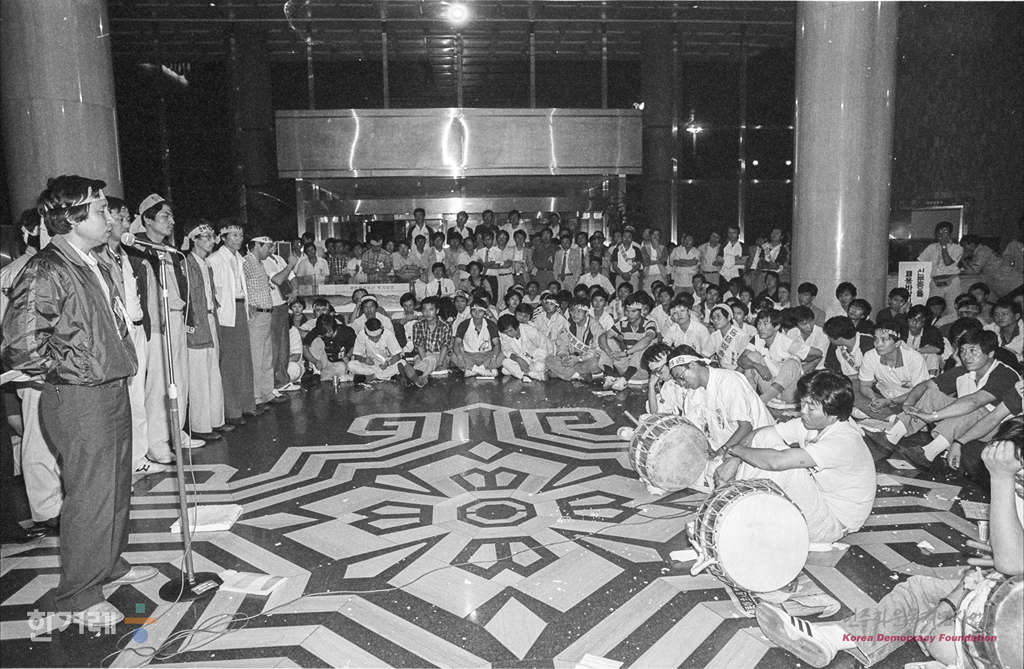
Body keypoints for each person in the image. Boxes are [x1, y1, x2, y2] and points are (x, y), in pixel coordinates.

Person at [1, 175, 154, 628]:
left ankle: (108, 564)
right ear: (70, 217)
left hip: (109, 388)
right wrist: (76, 368)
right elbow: (21, 345)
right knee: (90, 493)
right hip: (79, 397)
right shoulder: (46, 269)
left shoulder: (91, 261)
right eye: (101, 210)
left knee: (115, 485)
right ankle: (79, 594)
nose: (110, 217)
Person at [756, 416, 1023, 668]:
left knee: (940, 641)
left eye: (1017, 475)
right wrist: (949, 605)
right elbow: (994, 569)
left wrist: (1002, 479)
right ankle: (833, 638)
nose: (1016, 484)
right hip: (1000, 591)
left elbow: (1010, 564)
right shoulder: (1013, 489)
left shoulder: (1006, 481)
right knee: (919, 592)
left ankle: (959, 657)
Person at [714, 370, 876, 543]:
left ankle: (735, 512)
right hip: (818, 500)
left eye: (811, 407)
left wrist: (735, 450)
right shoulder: (812, 423)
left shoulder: (844, 441)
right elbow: (760, 434)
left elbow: (777, 462)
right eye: (803, 402)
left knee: (785, 467)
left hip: (833, 524)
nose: (803, 411)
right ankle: (735, 506)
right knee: (766, 440)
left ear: (833, 414)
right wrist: (735, 460)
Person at [885, 329, 1023, 466]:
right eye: (963, 351)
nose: (966, 356)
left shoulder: (1005, 374)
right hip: (967, 424)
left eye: (973, 351)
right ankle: (891, 437)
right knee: (932, 394)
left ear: (990, 354)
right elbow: (926, 385)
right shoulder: (964, 371)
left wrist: (933, 416)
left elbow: (975, 402)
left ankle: (928, 453)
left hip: (999, 430)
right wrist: (908, 403)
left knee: (970, 408)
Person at [207, 222, 259, 425]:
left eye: (241, 235)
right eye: (234, 235)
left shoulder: (239, 258)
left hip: (240, 309)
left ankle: (247, 405)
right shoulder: (215, 259)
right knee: (229, 363)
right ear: (223, 237)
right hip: (225, 313)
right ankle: (232, 410)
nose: (238, 239)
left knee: (244, 359)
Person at [182, 223, 226, 441]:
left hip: (210, 319)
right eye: (205, 237)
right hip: (196, 323)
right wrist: (190, 325)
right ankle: (200, 426)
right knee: (199, 376)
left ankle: (215, 421)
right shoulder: (185, 263)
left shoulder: (206, 264)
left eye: (211, 236)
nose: (210, 241)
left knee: (213, 372)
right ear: (194, 240)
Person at [243, 236, 288, 407]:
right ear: (256, 245)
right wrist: (247, 305)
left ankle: (267, 393)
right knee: (256, 357)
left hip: (267, 313)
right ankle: (256, 398)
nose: (270, 251)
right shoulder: (246, 262)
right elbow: (239, 285)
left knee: (267, 357)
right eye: (267, 247)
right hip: (257, 315)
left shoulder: (260, 263)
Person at [856, 320, 931, 418]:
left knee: (920, 409)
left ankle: (891, 418)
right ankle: (890, 418)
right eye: (875, 339)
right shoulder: (870, 355)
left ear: (898, 343)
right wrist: (874, 399)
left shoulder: (914, 358)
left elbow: (920, 390)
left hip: (909, 400)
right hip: (882, 396)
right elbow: (865, 385)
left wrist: (890, 402)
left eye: (884, 340)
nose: (878, 344)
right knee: (854, 387)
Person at [739, 308, 804, 407]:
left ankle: (759, 402)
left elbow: (816, 354)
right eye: (759, 324)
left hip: (789, 392)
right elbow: (741, 360)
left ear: (777, 326)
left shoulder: (786, 341)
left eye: (765, 324)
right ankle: (751, 398)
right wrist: (758, 366)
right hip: (769, 386)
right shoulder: (757, 338)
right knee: (752, 357)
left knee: (792, 362)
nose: (761, 328)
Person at [599, 294, 658, 390]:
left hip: (642, 369)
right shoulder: (622, 324)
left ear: (641, 311)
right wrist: (609, 352)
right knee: (608, 341)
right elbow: (602, 336)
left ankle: (624, 380)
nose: (630, 314)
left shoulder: (649, 323)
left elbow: (648, 339)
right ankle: (610, 377)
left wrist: (625, 353)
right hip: (626, 366)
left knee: (644, 345)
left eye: (634, 311)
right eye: (627, 311)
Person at [546, 296, 605, 382]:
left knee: (594, 363)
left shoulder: (596, 327)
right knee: (549, 359)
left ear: (587, 313)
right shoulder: (569, 324)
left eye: (579, 311)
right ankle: (578, 376)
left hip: (585, 361)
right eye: (572, 310)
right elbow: (562, 344)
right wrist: (564, 357)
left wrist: (578, 359)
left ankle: (568, 374)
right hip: (572, 361)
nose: (575, 314)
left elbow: (596, 352)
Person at [403, 296, 452, 387]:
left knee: (431, 360)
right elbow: (419, 345)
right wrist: (425, 359)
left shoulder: (445, 326)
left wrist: (440, 362)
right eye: (424, 310)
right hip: (423, 355)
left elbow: (444, 346)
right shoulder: (418, 325)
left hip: (440, 355)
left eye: (431, 309)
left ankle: (419, 377)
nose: (427, 313)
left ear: (437, 311)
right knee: (425, 361)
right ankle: (420, 376)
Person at [918, 221, 963, 315]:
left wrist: (944, 246)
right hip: (936, 282)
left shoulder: (957, 248)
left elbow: (948, 263)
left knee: (953, 310)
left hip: (952, 282)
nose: (942, 234)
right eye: (939, 232)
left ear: (950, 234)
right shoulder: (931, 247)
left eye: (945, 231)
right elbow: (920, 261)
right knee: (933, 310)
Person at [960, 233, 1023, 299]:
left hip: (1010, 283)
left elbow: (973, 271)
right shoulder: (980, 252)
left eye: (964, 246)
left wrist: (962, 259)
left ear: (972, 244)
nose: (964, 248)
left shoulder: (982, 252)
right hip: (1005, 283)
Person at [452, 299, 503, 377]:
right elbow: (456, 344)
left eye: (480, 311)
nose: (477, 313)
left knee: (503, 354)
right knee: (453, 355)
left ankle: (474, 370)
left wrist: (494, 357)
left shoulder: (490, 324)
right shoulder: (464, 324)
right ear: (470, 312)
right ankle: (483, 371)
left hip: (486, 355)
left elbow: (497, 344)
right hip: (469, 355)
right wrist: (459, 356)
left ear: (485, 312)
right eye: (474, 310)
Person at [303, 313, 356, 383]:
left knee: (341, 367)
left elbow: (355, 346)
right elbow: (305, 348)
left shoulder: (346, 331)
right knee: (316, 341)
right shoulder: (317, 330)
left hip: (337, 363)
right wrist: (315, 361)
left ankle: (322, 377)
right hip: (321, 362)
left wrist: (348, 356)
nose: (327, 334)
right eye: (324, 333)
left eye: (330, 331)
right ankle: (316, 373)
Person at [497, 313, 550, 382]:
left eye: (510, 331)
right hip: (522, 358)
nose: (509, 334)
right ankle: (531, 375)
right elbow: (506, 350)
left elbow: (544, 348)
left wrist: (535, 360)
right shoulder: (504, 334)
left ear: (517, 326)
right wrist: (518, 359)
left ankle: (525, 374)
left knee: (539, 366)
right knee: (505, 362)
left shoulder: (530, 330)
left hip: (537, 358)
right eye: (506, 332)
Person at [662, 292, 715, 357]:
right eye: (675, 313)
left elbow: (707, 353)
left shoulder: (701, 329)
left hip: (699, 360)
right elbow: (664, 348)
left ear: (689, 312)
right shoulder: (672, 329)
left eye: (682, 311)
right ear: (672, 318)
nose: (679, 315)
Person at [905, 303, 949, 374]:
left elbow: (938, 349)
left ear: (924, 322)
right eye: (911, 319)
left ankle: (931, 378)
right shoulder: (902, 329)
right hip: (904, 362)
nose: (914, 323)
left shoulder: (932, 331)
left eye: (918, 321)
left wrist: (917, 351)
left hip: (923, 363)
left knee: (932, 355)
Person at [708, 303, 753, 370]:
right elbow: (708, 354)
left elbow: (746, 360)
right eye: (713, 318)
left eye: (718, 317)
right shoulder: (714, 336)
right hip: (722, 370)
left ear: (729, 317)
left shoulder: (741, 336)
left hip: (738, 371)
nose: (715, 320)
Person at [787, 305, 828, 373]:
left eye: (811, 321)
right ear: (796, 325)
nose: (809, 326)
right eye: (804, 324)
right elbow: (790, 356)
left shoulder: (822, 334)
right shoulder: (792, 333)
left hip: (818, 371)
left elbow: (818, 359)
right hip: (796, 369)